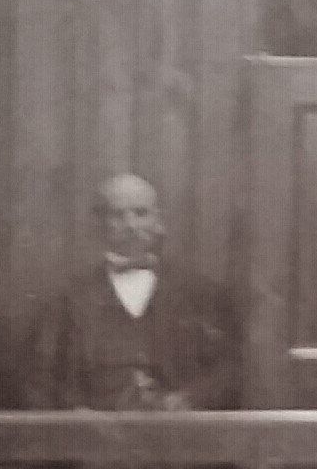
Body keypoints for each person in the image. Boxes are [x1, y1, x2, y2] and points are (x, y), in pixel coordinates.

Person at [24, 173, 243, 416]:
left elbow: (229, 369)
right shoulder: (66, 301)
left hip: (182, 442)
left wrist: (189, 399)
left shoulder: (203, 295)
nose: (131, 225)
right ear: (98, 223)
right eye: (118, 215)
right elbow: (40, 380)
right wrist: (75, 415)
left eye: (141, 213)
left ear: (159, 220)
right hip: (96, 444)